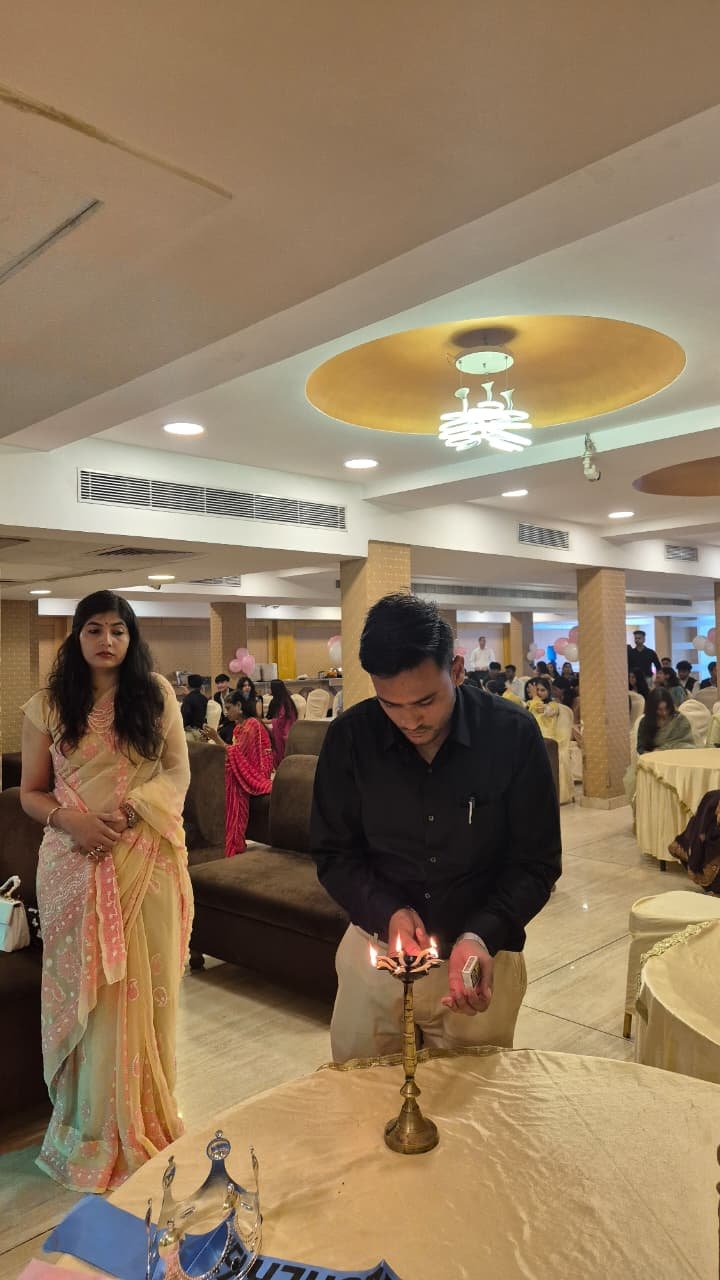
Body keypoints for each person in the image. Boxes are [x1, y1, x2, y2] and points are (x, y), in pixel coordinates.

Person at [310, 593, 561, 1063]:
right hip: (376, 957)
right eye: (391, 704)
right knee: (362, 1094)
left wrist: (481, 934)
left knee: (472, 1096)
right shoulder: (350, 738)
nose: (410, 720)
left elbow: (537, 863)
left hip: (480, 963)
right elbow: (333, 854)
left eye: (425, 701)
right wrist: (388, 912)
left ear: (458, 670)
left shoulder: (511, 734)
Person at [19, 591, 193, 1192]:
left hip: (144, 856)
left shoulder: (156, 695)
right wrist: (73, 821)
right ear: (77, 637)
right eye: (94, 629)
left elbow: (177, 771)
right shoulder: (47, 705)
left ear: (131, 637)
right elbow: (31, 792)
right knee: (88, 995)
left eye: (118, 630)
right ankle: (88, 1127)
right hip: (72, 864)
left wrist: (132, 810)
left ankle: (145, 1116)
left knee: (146, 990)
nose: (107, 641)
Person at [203, 691, 273, 856]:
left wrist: (216, 737)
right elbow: (236, 754)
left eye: (229, 708)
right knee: (220, 768)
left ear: (239, 706)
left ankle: (234, 839)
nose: (226, 712)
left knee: (230, 775)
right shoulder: (239, 727)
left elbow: (237, 755)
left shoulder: (251, 725)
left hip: (257, 771)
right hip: (245, 765)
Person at [267, 677, 298, 767]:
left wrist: (266, 721)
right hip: (283, 728)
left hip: (285, 730)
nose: (269, 690)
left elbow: (281, 720)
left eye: (270, 688)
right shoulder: (279, 700)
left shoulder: (285, 702)